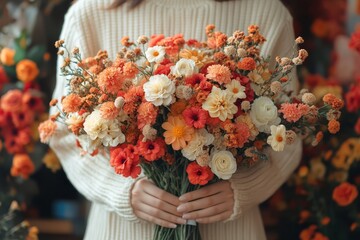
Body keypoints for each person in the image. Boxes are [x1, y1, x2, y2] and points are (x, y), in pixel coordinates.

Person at [49, 0, 302, 239]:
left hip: (228, 229)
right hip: (123, 229)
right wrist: (123, 190)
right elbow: (65, 133)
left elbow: (289, 132)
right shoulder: (91, 12)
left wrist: (244, 189)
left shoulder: (264, 11)